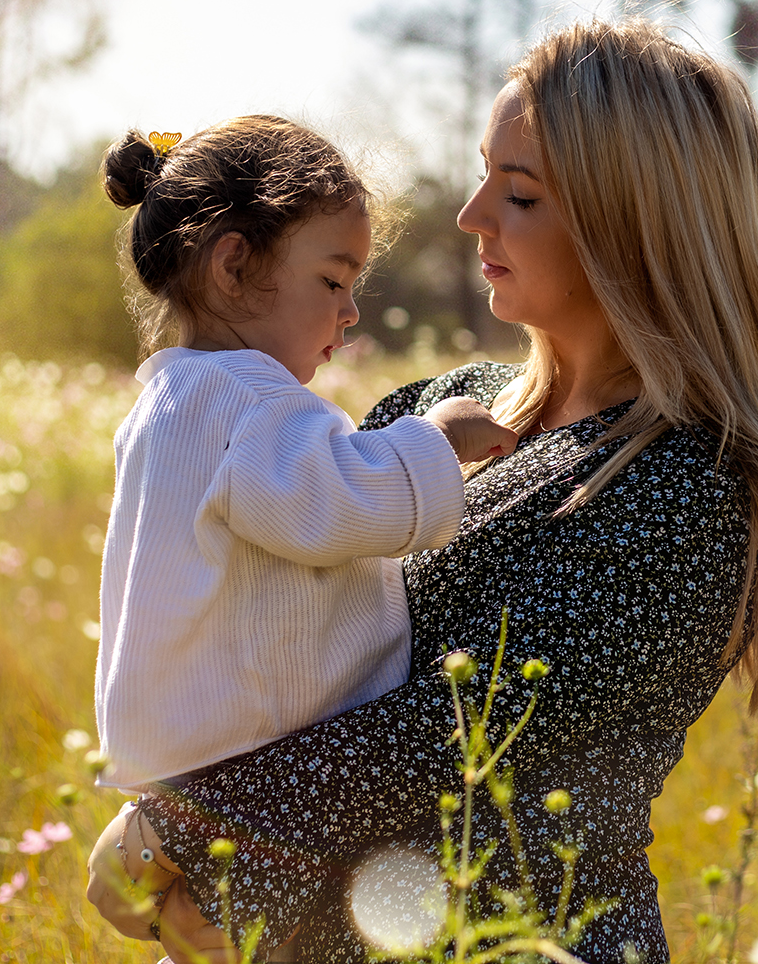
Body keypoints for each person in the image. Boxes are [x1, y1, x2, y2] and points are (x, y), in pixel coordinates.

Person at [88, 18, 758, 964]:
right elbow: (272, 605)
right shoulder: (440, 408)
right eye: (484, 174)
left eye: (517, 193)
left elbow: (456, 736)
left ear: (634, 225)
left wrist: (179, 831)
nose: (471, 213)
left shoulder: (694, 490)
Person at [91, 117, 518, 800]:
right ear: (233, 267)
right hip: (252, 756)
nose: (350, 313)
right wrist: (439, 439)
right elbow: (332, 502)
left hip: (194, 754)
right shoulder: (245, 399)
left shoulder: (170, 396)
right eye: (331, 281)